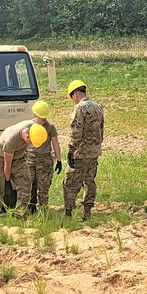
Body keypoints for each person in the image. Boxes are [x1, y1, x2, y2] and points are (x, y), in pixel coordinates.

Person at [0, 119, 48, 219]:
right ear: (27, 136)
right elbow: (7, 163)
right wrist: (7, 181)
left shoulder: (34, 128)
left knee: (25, 186)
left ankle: (20, 215)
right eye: (31, 142)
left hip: (19, 158)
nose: (31, 145)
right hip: (2, 159)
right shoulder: (11, 140)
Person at [62, 80, 104, 221]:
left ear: (75, 94)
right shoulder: (98, 107)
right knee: (89, 181)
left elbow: (76, 132)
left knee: (69, 182)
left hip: (80, 153)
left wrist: (70, 151)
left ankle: (68, 213)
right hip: (94, 151)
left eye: (71, 97)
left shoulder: (79, 108)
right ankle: (87, 212)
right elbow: (101, 130)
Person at [26, 100, 62, 212]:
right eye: (41, 117)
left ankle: (43, 210)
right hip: (30, 158)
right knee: (28, 185)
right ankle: (29, 209)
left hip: (45, 159)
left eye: (45, 117)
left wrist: (59, 160)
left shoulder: (50, 127)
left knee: (43, 187)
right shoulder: (29, 126)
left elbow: (55, 144)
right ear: (35, 115)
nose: (44, 120)